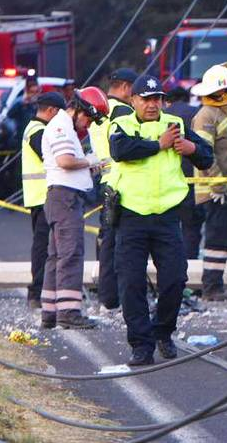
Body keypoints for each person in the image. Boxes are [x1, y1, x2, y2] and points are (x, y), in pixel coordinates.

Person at [109, 75, 213, 366]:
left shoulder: (176, 124)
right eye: (146, 98)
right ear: (133, 100)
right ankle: (141, 345)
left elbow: (206, 157)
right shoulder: (123, 124)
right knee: (131, 283)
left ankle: (162, 331)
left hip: (167, 216)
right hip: (131, 215)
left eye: (157, 99)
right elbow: (121, 151)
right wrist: (159, 144)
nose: (153, 104)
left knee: (175, 280)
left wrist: (192, 150)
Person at [40, 87, 108, 329]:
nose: (88, 125)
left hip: (62, 197)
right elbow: (65, 161)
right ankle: (69, 311)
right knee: (71, 254)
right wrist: (91, 161)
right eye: (89, 118)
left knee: (56, 255)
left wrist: (88, 166)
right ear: (79, 110)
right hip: (65, 198)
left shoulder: (66, 127)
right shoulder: (61, 126)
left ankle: (50, 311)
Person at [190, 64, 227, 301]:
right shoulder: (206, 116)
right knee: (216, 239)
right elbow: (205, 153)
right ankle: (211, 287)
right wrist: (216, 184)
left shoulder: (226, 114)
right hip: (216, 191)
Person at [89, 67, 136, 310]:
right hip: (122, 181)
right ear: (127, 87)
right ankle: (113, 295)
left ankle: (107, 294)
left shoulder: (100, 110)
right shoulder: (123, 111)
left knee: (107, 240)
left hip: (106, 181)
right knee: (120, 242)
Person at [21, 92, 65, 308]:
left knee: (47, 246)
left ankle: (42, 291)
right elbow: (51, 156)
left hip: (41, 196)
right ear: (51, 111)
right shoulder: (38, 131)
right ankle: (37, 292)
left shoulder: (36, 128)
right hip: (42, 196)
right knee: (43, 247)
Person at [165, 87, 203, 259]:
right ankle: (190, 264)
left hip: (167, 179)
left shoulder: (161, 115)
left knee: (167, 229)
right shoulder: (196, 112)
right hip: (192, 178)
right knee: (191, 228)